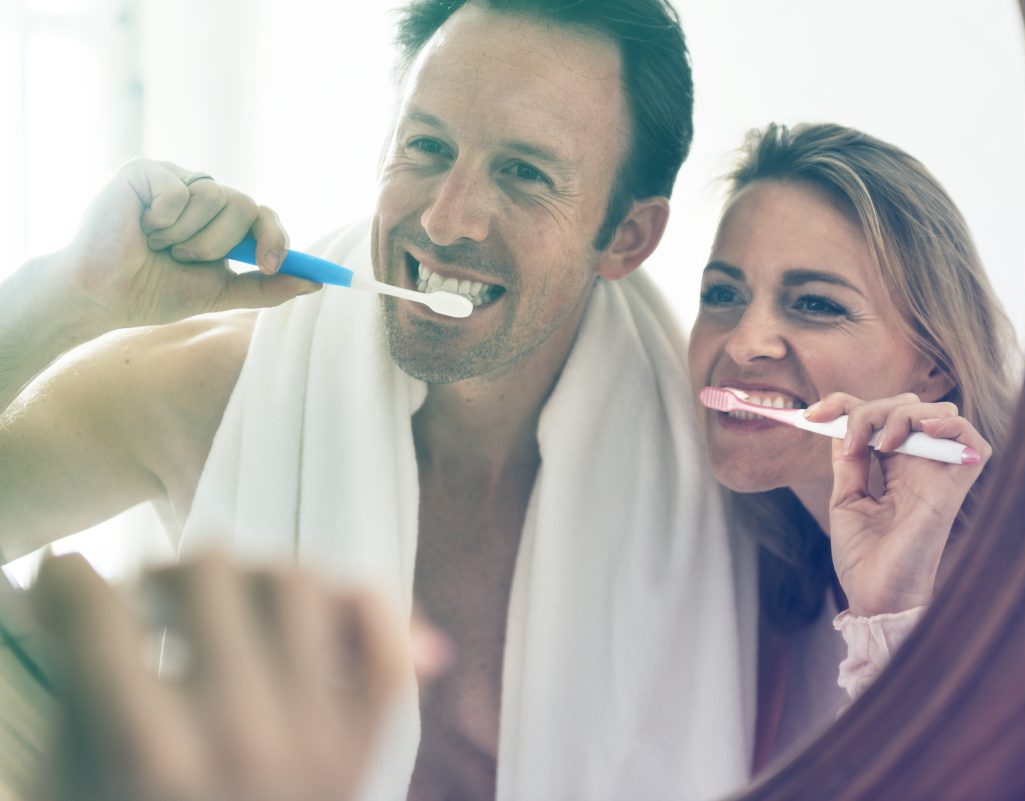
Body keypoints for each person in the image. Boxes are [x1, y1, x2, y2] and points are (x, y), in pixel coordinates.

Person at [0, 1, 755, 800]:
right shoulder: (220, 394)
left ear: (627, 237)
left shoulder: (724, 473)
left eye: (525, 172)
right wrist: (70, 297)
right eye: (427, 147)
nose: (444, 217)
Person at [687, 122, 1021, 770]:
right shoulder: (777, 602)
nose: (745, 341)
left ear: (933, 366)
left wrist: (894, 615)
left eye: (814, 303)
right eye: (723, 294)